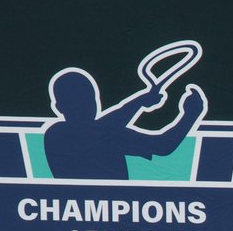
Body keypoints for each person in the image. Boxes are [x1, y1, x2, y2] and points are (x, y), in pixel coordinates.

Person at [43, 67, 206, 179]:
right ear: (59, 107)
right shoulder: (56, 134)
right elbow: (92, 133)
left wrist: (190, 115)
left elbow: (163, 145)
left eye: (89, 99)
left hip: (117, 214)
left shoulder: (110, 134)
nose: (86, 105)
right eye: (76, 101)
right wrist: (139, 102)